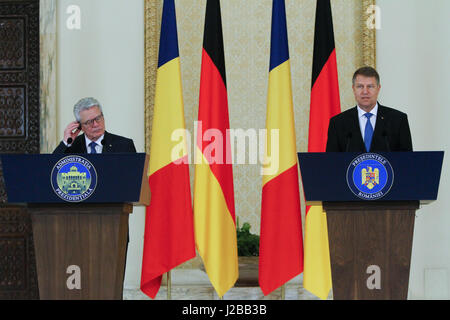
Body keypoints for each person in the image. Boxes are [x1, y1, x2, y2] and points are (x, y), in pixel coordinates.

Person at [326, 66, 412, 152]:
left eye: (370, 86)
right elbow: (332, 162)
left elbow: (407, 160)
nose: (365, 91)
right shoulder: (338, 123)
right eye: (360, 86)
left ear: (378, 89)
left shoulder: (398, 120)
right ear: (353, 89)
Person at [53, 97, 136, 154]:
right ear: (80, 126)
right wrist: (65, 142)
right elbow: (50, 168)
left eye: (98, 118)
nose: (96, 124)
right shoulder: (71, 147)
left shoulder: (124, 145)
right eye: (89, 122)